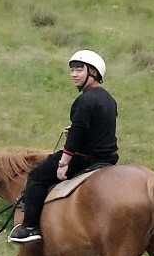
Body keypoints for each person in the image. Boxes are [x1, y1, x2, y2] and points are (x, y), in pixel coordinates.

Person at [10, 49, 118, 243]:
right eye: (72, 70)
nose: (74, 74)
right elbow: (100, 129)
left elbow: (78, 135)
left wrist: (63, 164)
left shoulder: (84, 100)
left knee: (37, 176)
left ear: (93, 72)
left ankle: (30, 227)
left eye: (79, 70)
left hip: (84, 159)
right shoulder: (109, 98)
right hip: (108, 158)